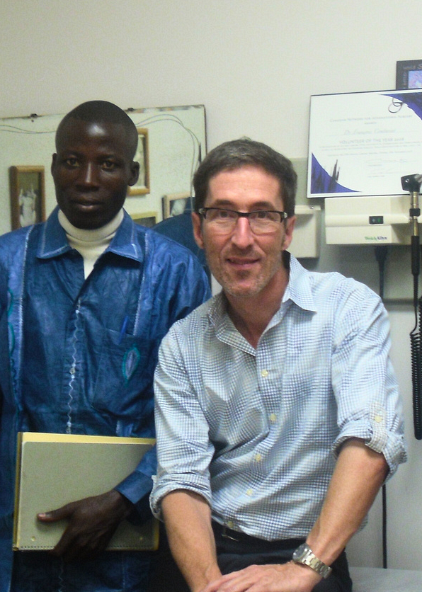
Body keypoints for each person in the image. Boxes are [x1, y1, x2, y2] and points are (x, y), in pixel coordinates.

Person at [150, 138, 407, 592]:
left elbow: (370, 441)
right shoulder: (182, 345)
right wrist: (210, 584)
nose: (241, 238)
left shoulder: (348, 310)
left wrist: (303, 568)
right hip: (209, 550)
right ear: (198, 227)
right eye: (223, 214)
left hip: (311, 552)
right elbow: (181, 479)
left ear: (288, 231)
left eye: (262, 216)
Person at [0, 100, 210, 592]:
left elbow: (194, 411)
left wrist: (126, 498)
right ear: (54, 165)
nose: (86, 178)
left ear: (131, 171)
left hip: (130, 548)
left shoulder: (176, 271)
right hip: (18, 552)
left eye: (107, 163)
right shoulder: (2, 263)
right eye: (71, 160)